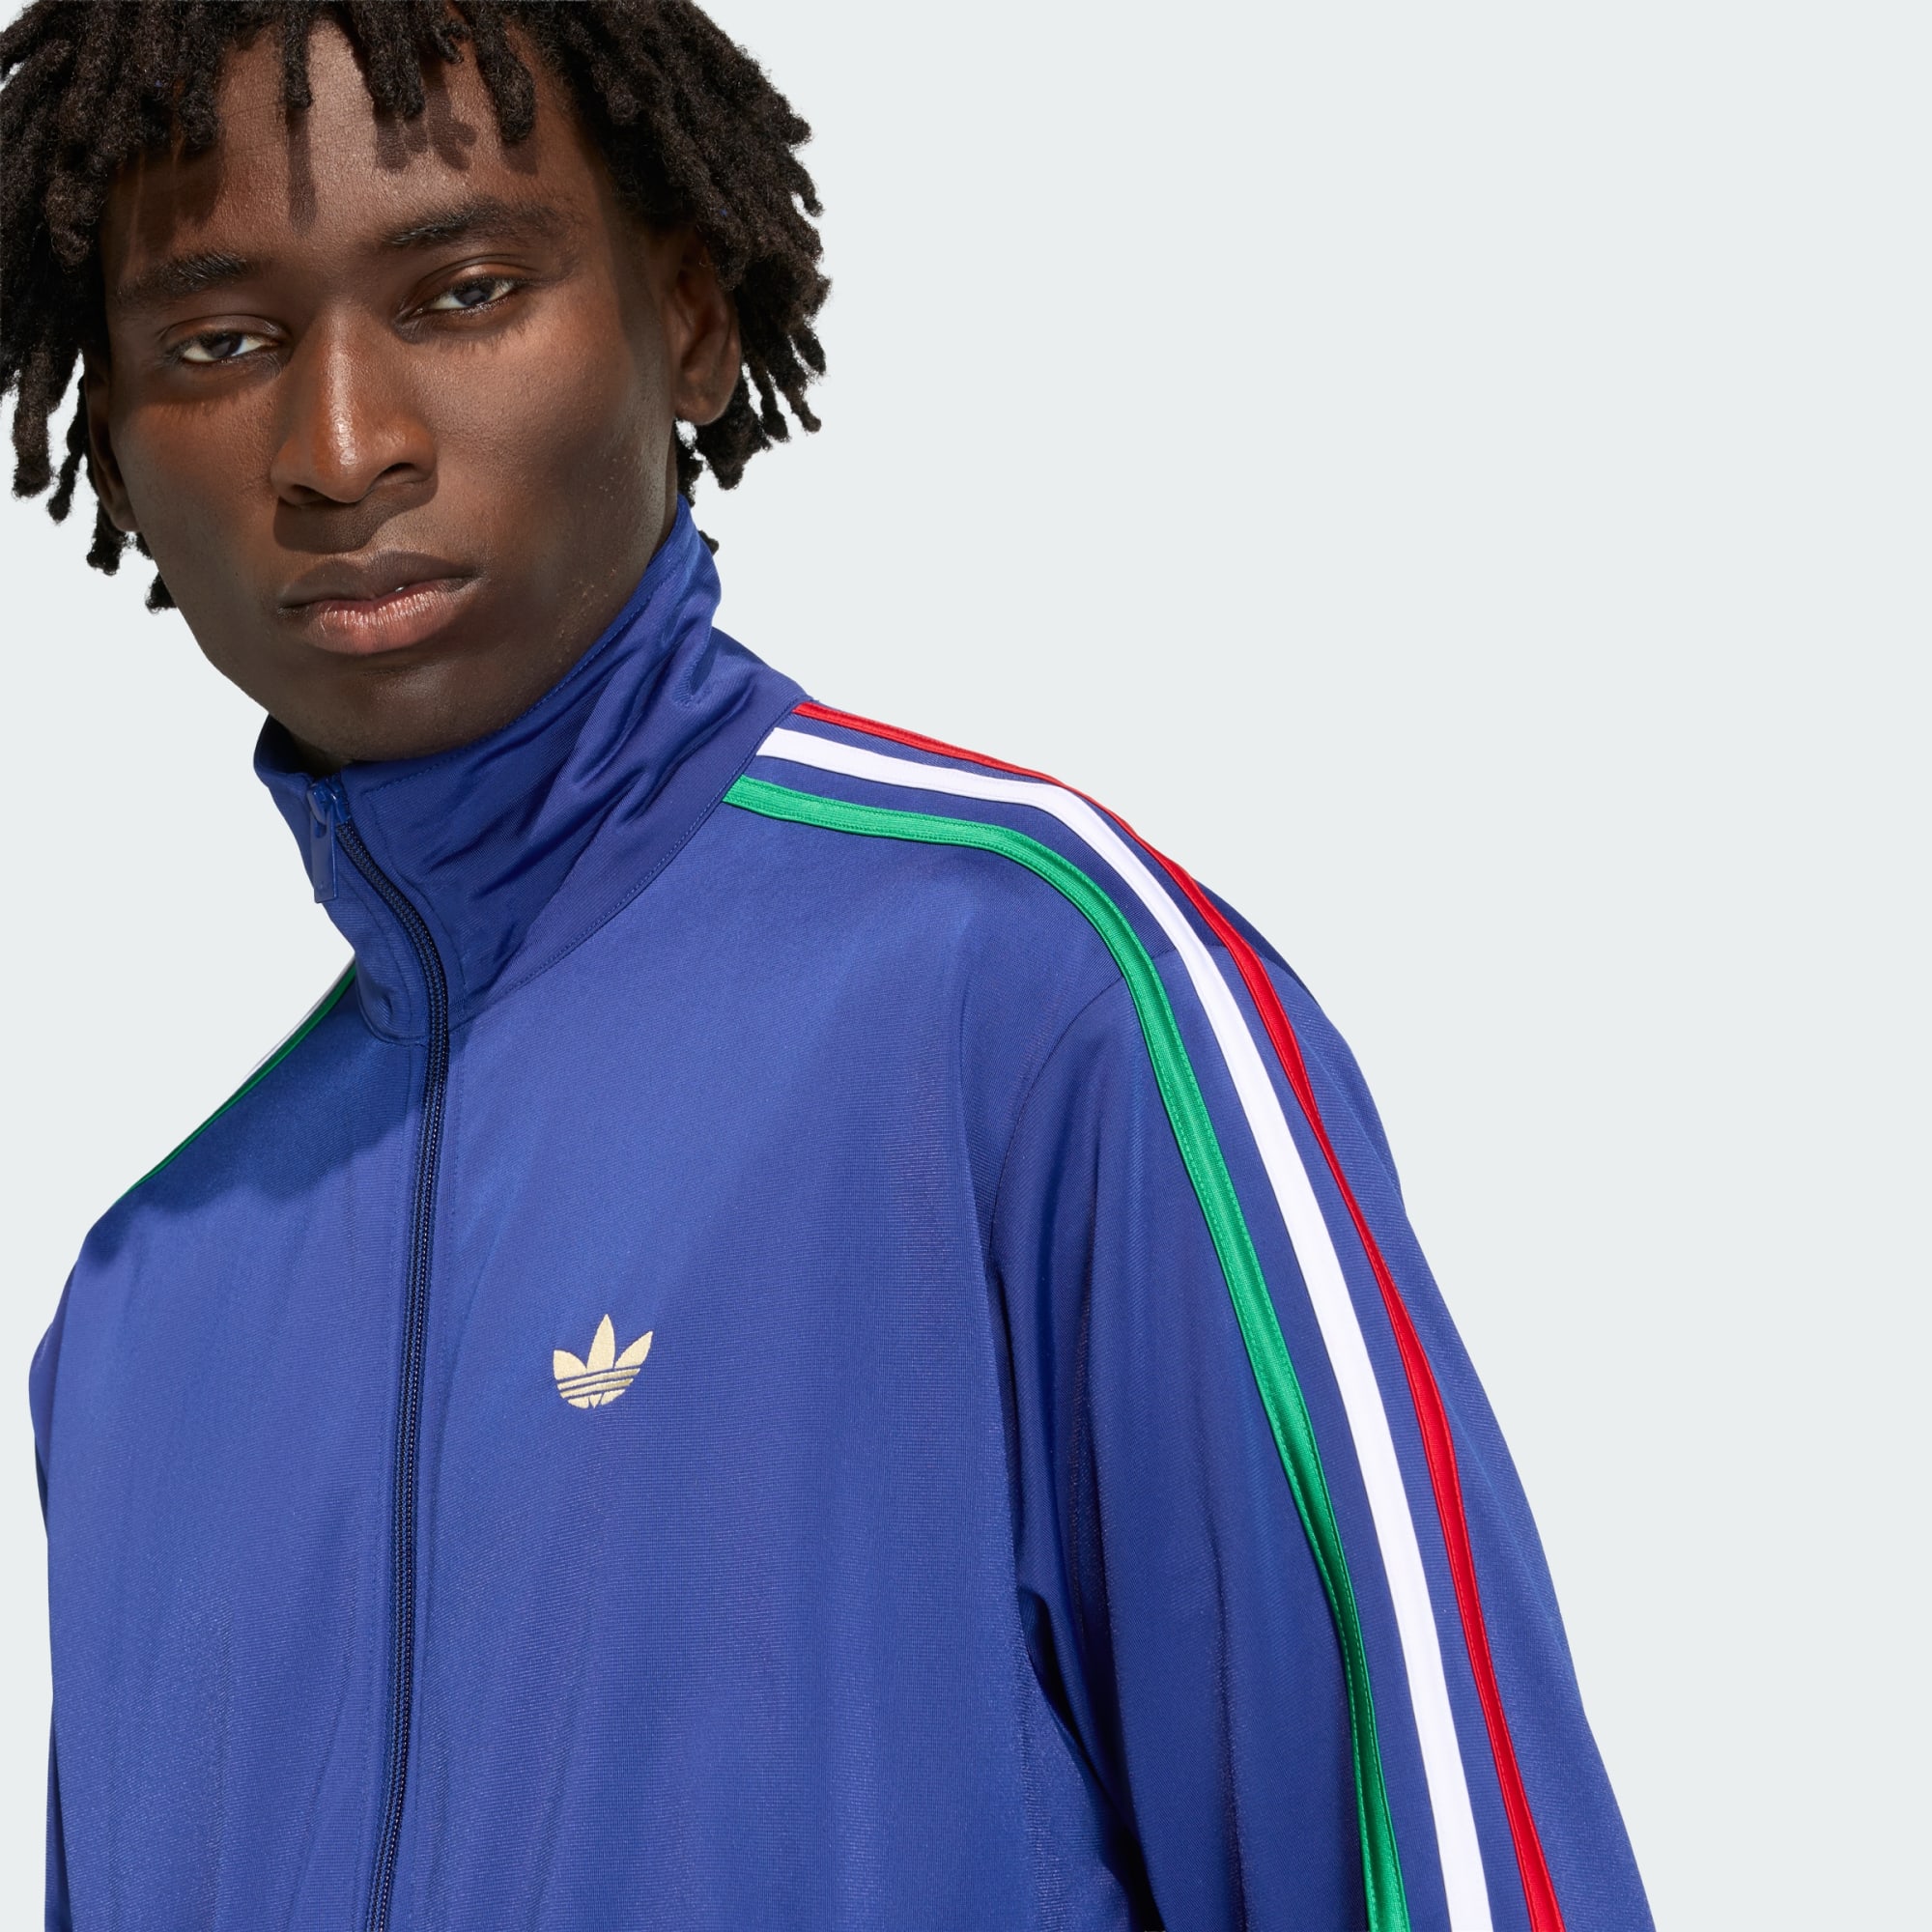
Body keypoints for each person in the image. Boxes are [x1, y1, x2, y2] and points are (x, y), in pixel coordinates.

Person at [1, 5, 1653, 1929]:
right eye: (220, 342)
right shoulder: (143, 1308)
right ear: (112, 431)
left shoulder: (1034, 1000)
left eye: (463, 293)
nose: (343, 447)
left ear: (690, 318)